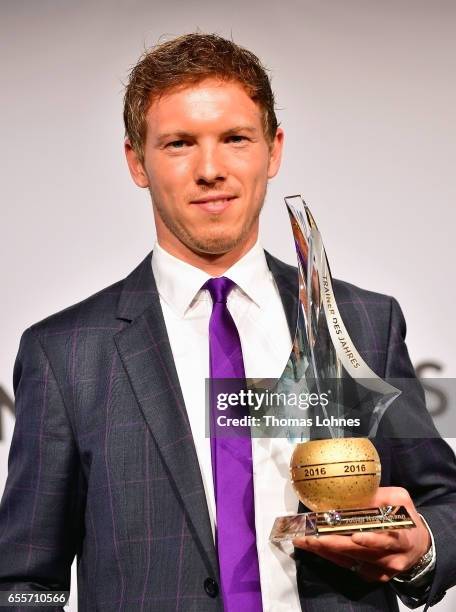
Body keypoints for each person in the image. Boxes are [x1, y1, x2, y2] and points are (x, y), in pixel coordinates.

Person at [0, 32, 455, 612]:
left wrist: (421, 547)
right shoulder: (65, 353)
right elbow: (23, 582)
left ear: (273, 149)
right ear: (137, 161)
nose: (210, 169)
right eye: (179, 144)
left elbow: (444, 501)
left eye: (236, 138)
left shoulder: (362, 321)